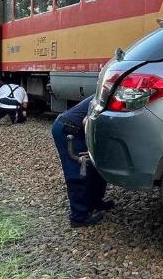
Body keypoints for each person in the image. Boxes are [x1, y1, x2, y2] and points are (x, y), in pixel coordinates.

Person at [51, 95, 113, 227]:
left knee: (95, 167)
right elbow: (86, 121)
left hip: (76, 128)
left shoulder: (109, 92)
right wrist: (91, 147)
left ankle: (94, 202)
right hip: (68, 130)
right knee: (78, 172)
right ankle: (78, 217)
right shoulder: (108, 97)